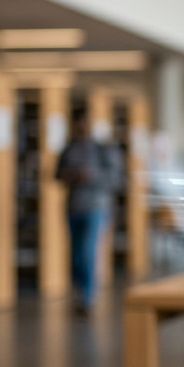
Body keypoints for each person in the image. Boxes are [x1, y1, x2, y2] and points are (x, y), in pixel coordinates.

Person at [56, 110, 121, 314]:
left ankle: (87, 295)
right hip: (74, 207)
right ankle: (79, 291)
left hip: (96, 207)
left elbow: (115, 179)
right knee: (76, 253)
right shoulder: (68, 148)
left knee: (87, 250)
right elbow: (57, 174)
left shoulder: (101, 149)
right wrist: (72, 175)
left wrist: (91, 176)